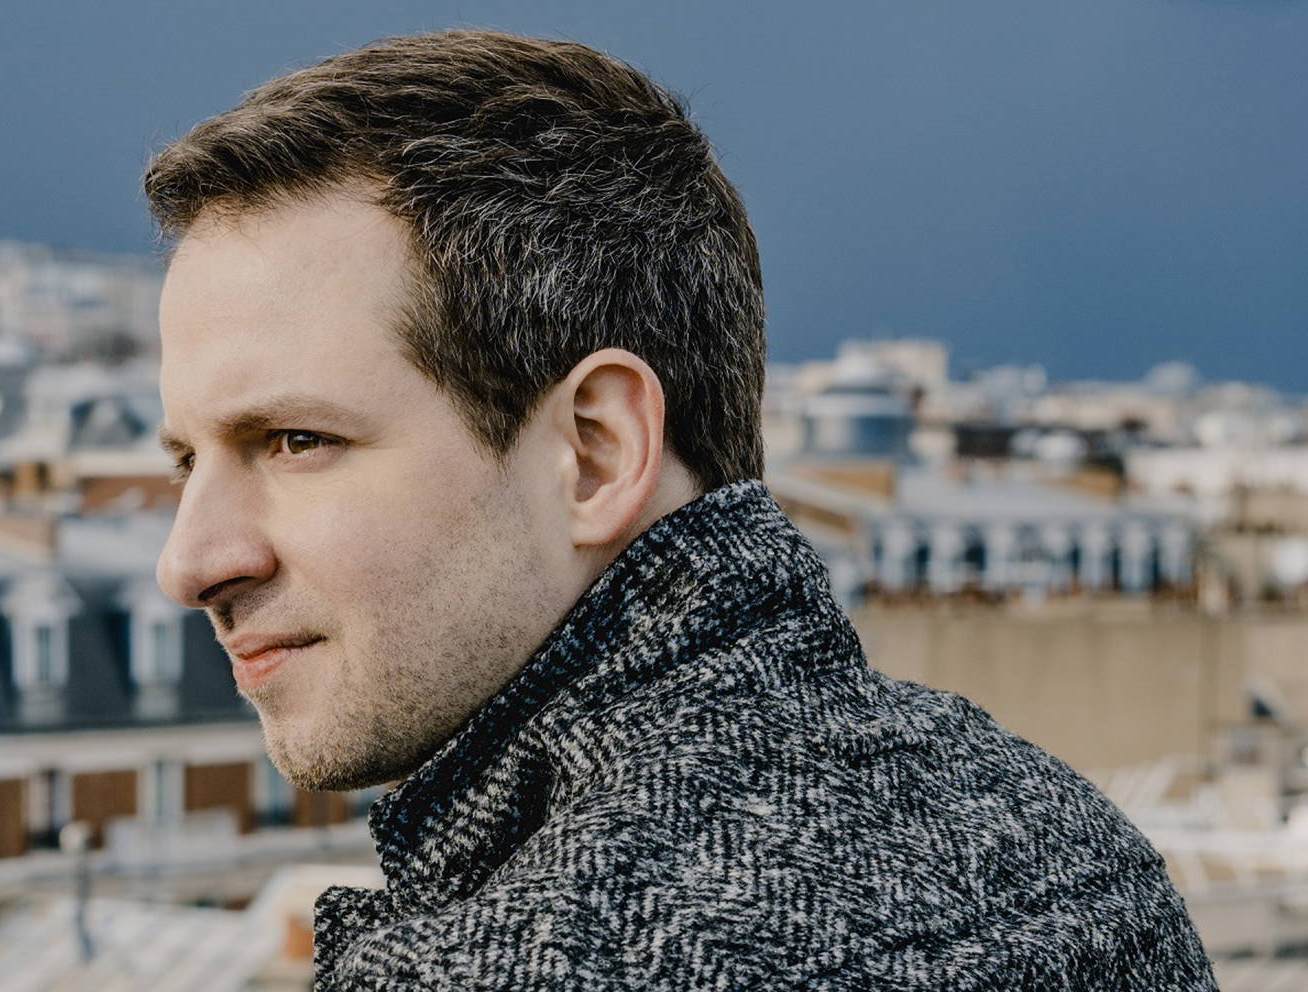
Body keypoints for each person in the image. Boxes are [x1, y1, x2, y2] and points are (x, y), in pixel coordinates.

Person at [144, 29, 1217, 991]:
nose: (189, 562)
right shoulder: (1069, 843)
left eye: (295, 441)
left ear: (597, 450)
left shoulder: (511, 964)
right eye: (187, 460)